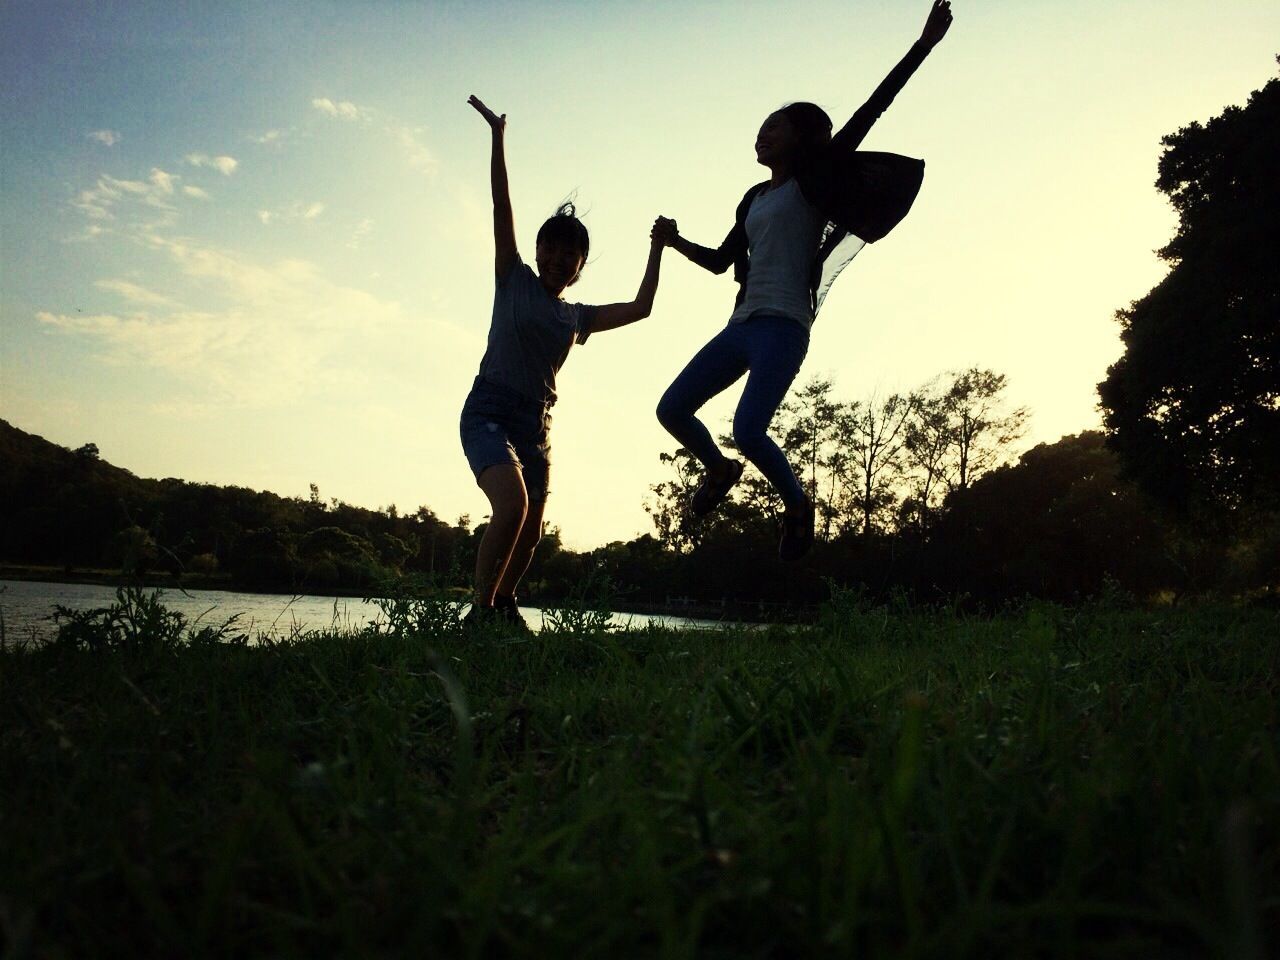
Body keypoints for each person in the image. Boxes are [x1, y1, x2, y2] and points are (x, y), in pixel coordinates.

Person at [653, 0, 953, 561]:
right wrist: (675, 243)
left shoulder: (818, 179)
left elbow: (874, 108)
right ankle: (719, 470)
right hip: (740, 326)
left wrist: (923, 46)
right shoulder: (753, 198)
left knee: (748, 427)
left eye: (774, 127)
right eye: (761, 129)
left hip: (785, 327)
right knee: (672, 408)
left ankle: (797, 505)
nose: (762, 135)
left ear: (801, 137)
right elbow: (722, 262)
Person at [461, 95, 664, 630]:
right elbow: (501, 207)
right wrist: (498, 138)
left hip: (536, 426)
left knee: (530, 530)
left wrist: (658, 248)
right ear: (537, 252)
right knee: (511, 503)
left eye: (566, 258)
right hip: (488, 411)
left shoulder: (576, 317)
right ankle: (479, 613)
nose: (554, 262)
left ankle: (503, 607)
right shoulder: (513, 278)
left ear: (578, 268)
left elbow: (641, 308)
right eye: (547, 252)